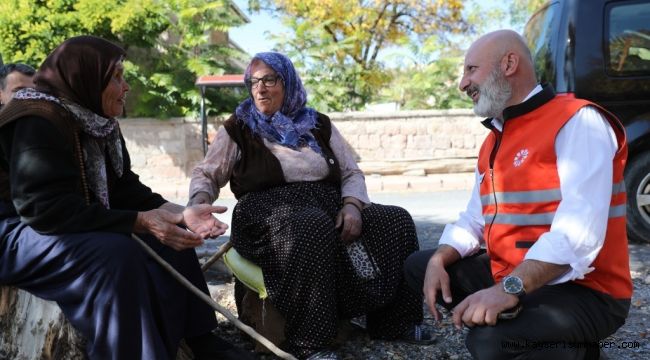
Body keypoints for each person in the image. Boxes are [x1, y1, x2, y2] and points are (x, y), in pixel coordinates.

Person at [0, 36, 255, 360]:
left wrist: (181, 214)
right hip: (14, 229)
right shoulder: (37, 119)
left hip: (62, 220)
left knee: (173, 239)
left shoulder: (97, 120)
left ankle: (201, 340)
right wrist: (141, 222)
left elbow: (125, 190)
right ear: (87, 79)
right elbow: (43, 210)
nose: (127, 86)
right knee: (118, 255)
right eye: (117, 77)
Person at [404, 29, 632, 359]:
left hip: (588, 290)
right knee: (420, 266)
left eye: (471, 70)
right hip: (521, 276)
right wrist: (441, 256)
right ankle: (530, 332)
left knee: (487, 344)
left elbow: (576, 236)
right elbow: (474, 219)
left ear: (509, 63)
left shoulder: (578, 121)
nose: (462, 83)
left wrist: (506, 290)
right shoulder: (494, 139)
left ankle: (577, 351)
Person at [189, 52, 430, 360]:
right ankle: (309, 343)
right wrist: (198, 202)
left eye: (269, 80)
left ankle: (394, 322)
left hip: (325, 205)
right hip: (265, 214)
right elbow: (207, 173)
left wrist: (353, 206)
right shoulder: (239, 127)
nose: (260, 89)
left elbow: (350, 171)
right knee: (311, 225)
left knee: (394, 219)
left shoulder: (317, 124)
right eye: (253, 81)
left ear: (288, 83)